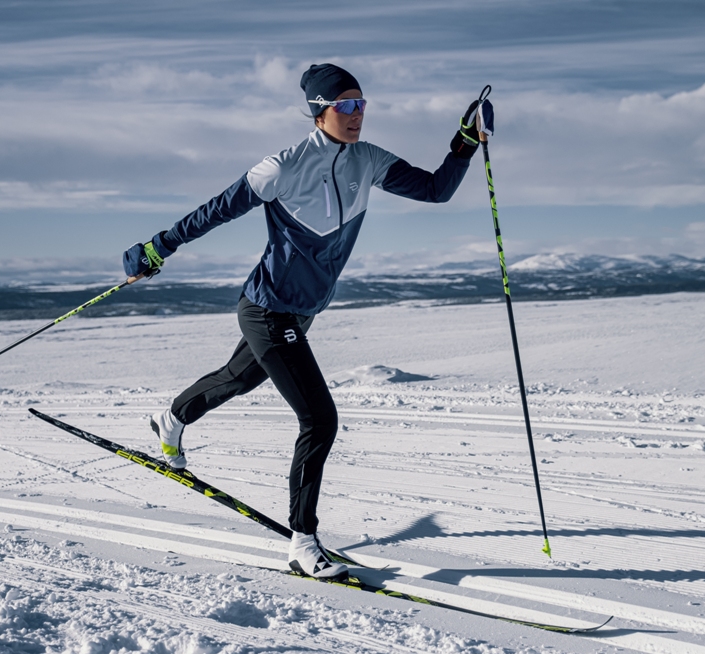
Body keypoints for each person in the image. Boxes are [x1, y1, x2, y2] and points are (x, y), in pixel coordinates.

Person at [123, 63, 490, 579]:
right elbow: (216, 210)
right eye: (346, 105)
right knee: (319, 419)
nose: (357, 115)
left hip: (300, 311)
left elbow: (435, 190)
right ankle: (302, 541)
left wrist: (466, 142)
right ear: (320, 111)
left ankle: (174, 418)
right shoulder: (283, 166)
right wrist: (158, 247)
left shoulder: (369, 160)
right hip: (268, 308)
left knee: (241, 377)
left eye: (362, 105)